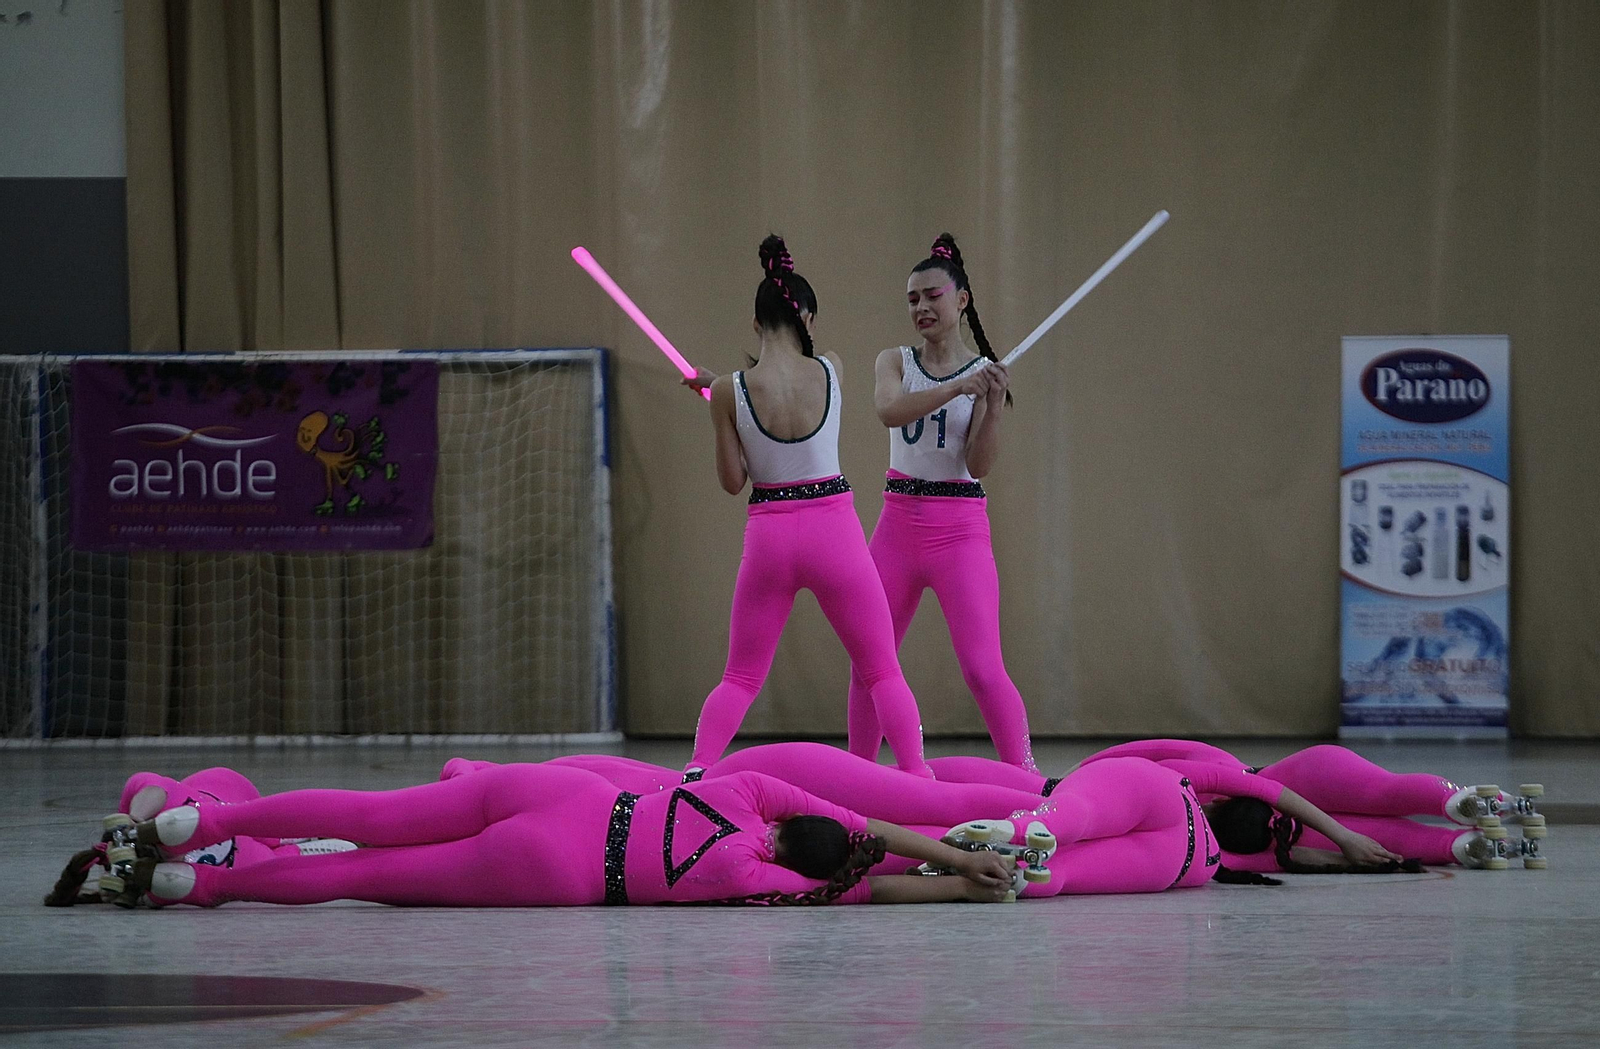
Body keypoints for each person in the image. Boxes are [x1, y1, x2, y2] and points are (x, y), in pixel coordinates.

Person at [682, 236, 932, 779]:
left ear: (755, 323)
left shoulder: (729, 390)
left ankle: (694, 776)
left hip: (769, 539)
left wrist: (717, 400)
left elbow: (732, 481)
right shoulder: (833, 368)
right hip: (833, 531)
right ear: (808, 318)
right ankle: (919, 780)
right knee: (882, 671)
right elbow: (798, 381)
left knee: (740, 679)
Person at [89, 766, 1015, 908]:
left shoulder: (751, 794)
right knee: (362, 873)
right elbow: (875, 872)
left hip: (574, 798)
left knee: (366, 812)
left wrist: (960, 849)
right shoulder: (756, 882)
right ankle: (205, 887)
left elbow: (876, 825)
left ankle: (203, 820)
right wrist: (958, 884)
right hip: (562, 867)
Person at [846, 233, 1035, 770]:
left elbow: (977, 466)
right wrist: (958, 388)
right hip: (897, 525)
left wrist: (993, 406)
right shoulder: (894, 360)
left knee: (982, 668)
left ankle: (1029, 780)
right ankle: (857, 776)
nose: (922, 307)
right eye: (912, 299)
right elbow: (890, 411)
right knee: (869, 662)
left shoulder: (982, 375)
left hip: (960, 530)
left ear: (962, 301)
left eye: (932, 295)